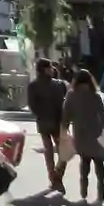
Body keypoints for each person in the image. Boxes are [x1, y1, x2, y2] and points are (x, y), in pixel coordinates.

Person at [62, 67, 104, 201]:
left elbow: (66, 114)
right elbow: (103, 115)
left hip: (80, 133)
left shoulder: (71, 95)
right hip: (96, 133)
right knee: (99, 162)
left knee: (84, 160)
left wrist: (64, 128)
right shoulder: (95, 96)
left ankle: (84, 185)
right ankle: (101, 187)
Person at [27, 58, 68, 192]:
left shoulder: (33, 85)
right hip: (57, 122)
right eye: (50, 67)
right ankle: (57, 176)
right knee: (62, 151)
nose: (52, 69)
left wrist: (41, 114)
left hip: (44, 122)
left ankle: (53, 177)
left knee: (49, 151)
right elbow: (64, 104)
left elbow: (32, 105)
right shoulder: (59, 84)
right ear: (44, 69)